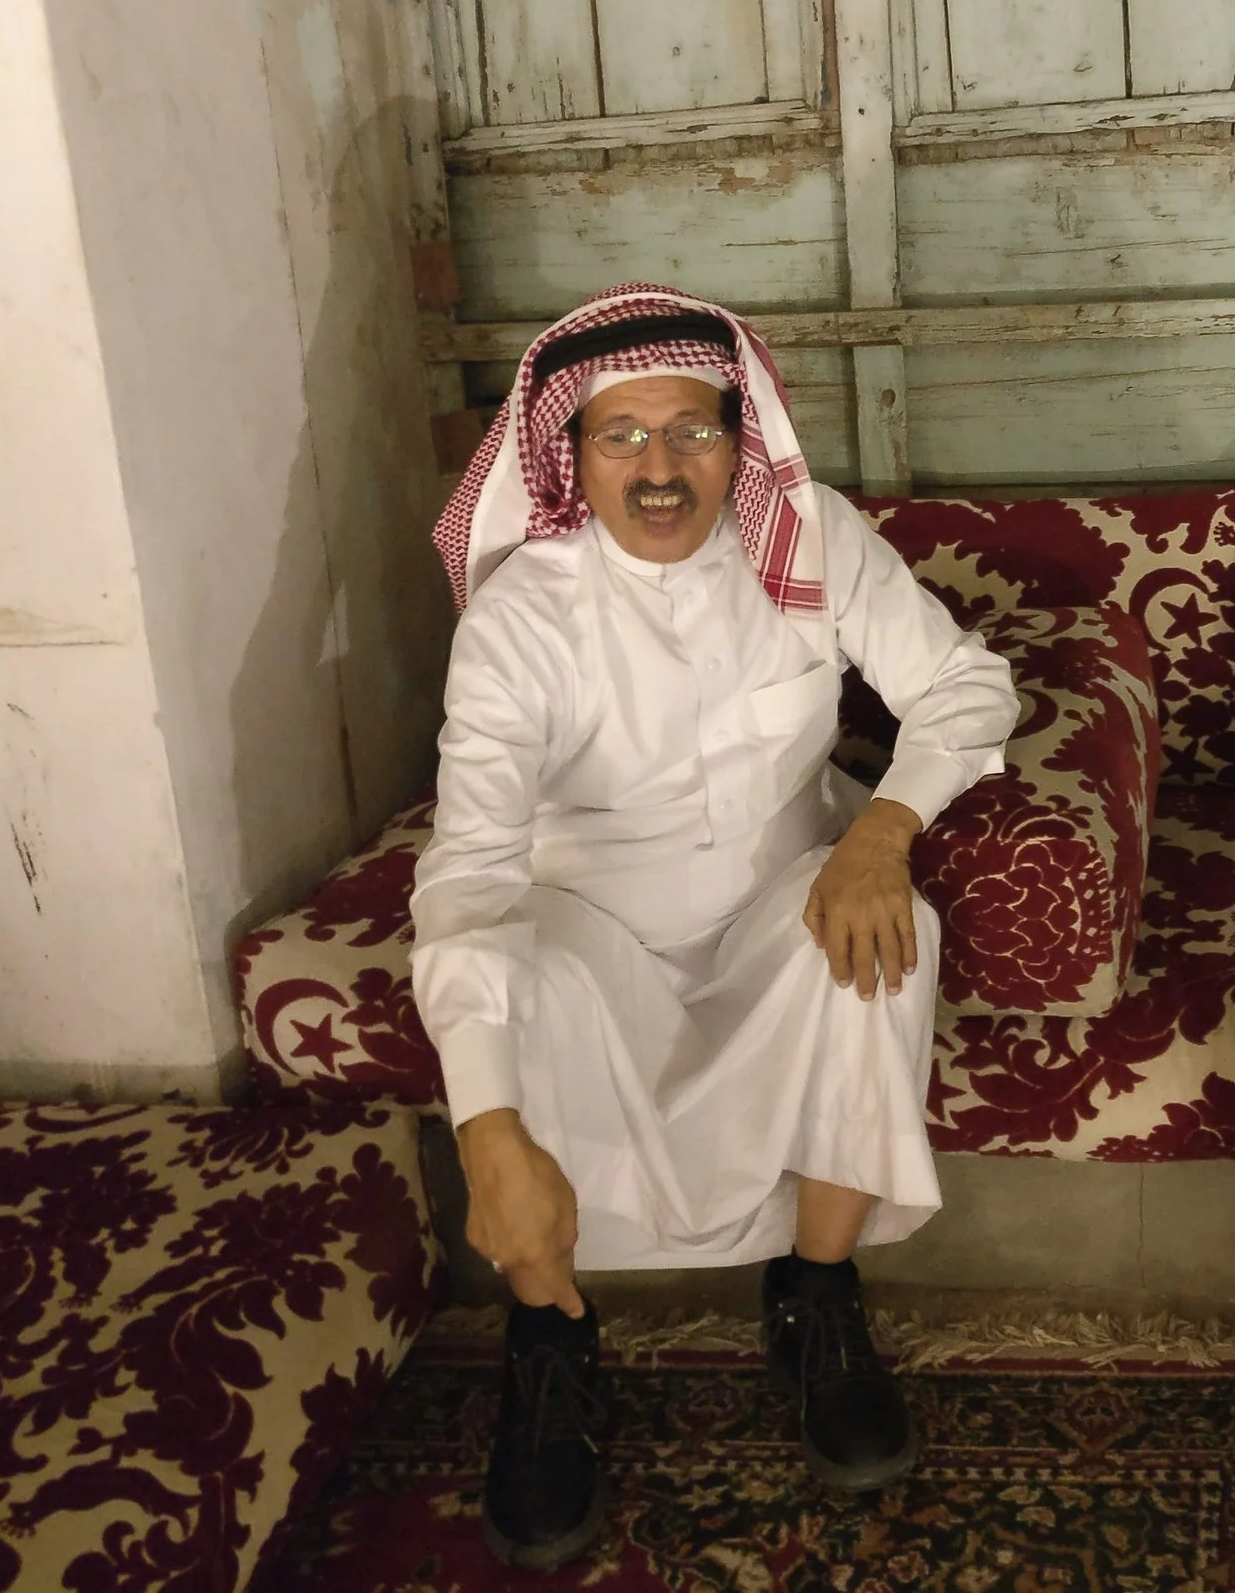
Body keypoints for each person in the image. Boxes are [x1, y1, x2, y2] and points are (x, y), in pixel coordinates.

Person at [410, 283, 1018, 1569]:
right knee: (520, 982)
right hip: (588, 911)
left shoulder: (810, 543)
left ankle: (816, 1299)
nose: (662, 467)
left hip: (776, 891)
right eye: (620, 437)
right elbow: (467, 870)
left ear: (743, 442)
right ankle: (552, 1337)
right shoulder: (525, 614)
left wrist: (882, 830)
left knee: (876, 942)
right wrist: (484, 1128)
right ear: (567, 456)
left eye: (692, 430)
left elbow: (965, 686)